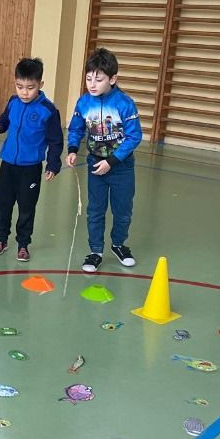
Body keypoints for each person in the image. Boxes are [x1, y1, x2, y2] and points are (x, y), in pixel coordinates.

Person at [65, 48, 142, 273]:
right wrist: (72, 149)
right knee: (95, 210)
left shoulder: (124, 103)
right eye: (89, 78)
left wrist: (113, 161)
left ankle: (118, 245)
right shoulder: (83, 102)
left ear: (112, 79)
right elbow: (76, 128)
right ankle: (96, 251)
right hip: (95, 165)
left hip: (121, 167)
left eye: (98, 80)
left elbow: (134, 136)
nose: (92, 84)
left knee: (122, 210)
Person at [0, 58, 63, 262]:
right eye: (20, 87)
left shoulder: (48, 110)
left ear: (40, 85)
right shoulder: (13, 102)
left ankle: (23, 244)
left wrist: (53, 164)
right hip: (8, 164)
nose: (24, 92)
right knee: (3, 204)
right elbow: (5, 119)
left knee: (26, 207)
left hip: (30, 168)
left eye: (30, 88)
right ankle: (2, 239)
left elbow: (55, 141)